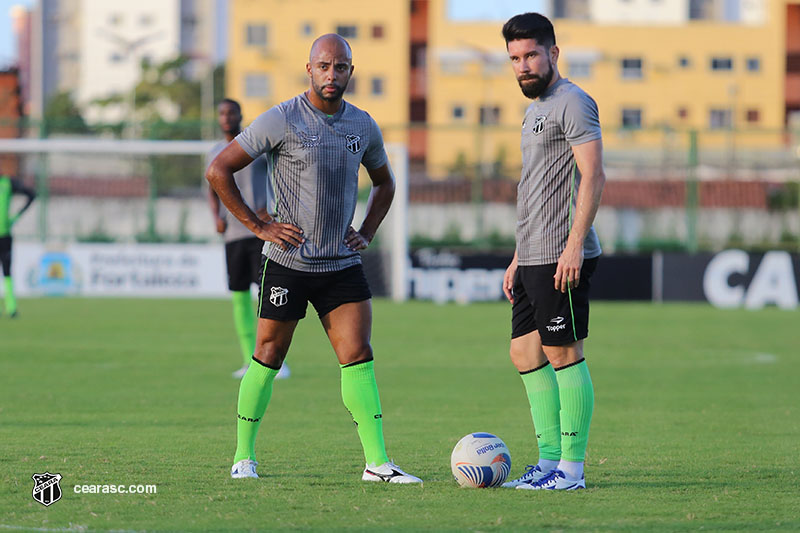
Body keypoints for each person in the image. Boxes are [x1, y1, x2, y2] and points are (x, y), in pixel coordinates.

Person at [206, 34, 422, 484]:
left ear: (350, 72)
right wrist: (259, 227)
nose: (331, 74)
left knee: (359, 354)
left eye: (340, 67)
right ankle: (243, 457)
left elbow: (385, 183)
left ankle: (377, 464)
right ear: (309, 69)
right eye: (323, 66)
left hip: (341, 264)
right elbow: (218, 169)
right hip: (288, 263)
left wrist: (365, 231)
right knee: (267, 354)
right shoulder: (282, 118)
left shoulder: (362, 125)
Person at [498, 13, 605, 491]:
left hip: (562, 253)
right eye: (515, 58)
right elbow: (538, 187)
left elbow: (593, 176)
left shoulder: (574, 102)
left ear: (553, 53)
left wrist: (575, 246)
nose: (523, 66)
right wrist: (520, 254)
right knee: (525, 351)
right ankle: (546, 462)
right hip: (534, 252)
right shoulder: (535, 108)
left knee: (563, 353)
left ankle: (571, 471)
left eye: (531, 55)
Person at [207, 98, 290, 380]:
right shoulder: (215, 153)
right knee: (239, 296)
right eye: (222, 113)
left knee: (268, 296)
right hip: (233, 234)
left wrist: (275, 209)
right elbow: (211, 187)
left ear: (241, 115)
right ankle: (248, 360)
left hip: (261, 231)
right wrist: (216, 216)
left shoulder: (256, 146)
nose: (226, 117)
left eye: (231, 112)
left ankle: (274, 360)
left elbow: (281, 175)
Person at [0, 169, 36, 318]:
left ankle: (11, 307)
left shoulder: (7, 183)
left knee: (7, 270)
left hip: (4, 235)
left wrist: (16, 216)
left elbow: (31, 194)